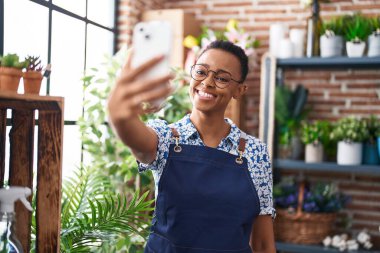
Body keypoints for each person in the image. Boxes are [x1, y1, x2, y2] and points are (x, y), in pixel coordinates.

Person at [107, 40, 276, 253]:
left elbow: (262, 243)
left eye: (222, 78)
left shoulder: (255, 153)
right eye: (201, 72)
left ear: (239, 90)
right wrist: (120, 115)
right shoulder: (166, 138)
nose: (207, 82)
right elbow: (137, 141)